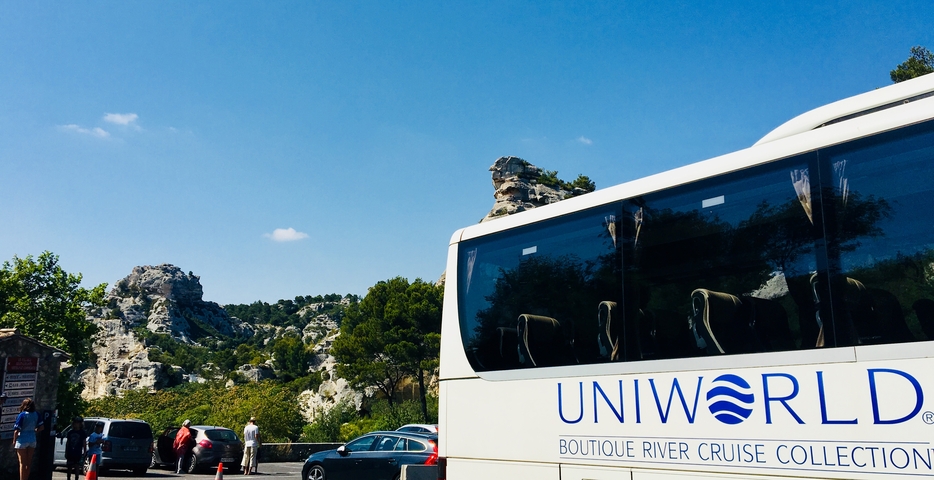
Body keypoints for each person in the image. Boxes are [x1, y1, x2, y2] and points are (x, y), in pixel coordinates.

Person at [11, 398, 44, 480]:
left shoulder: (22, 415)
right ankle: (26, 478)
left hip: (22, 439)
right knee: (28, 463)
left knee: (22, 463)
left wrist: (14, 440)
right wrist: (34, 430)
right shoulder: (36, 414)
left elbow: (16, 430)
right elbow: (42, 427)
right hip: (32, 439)